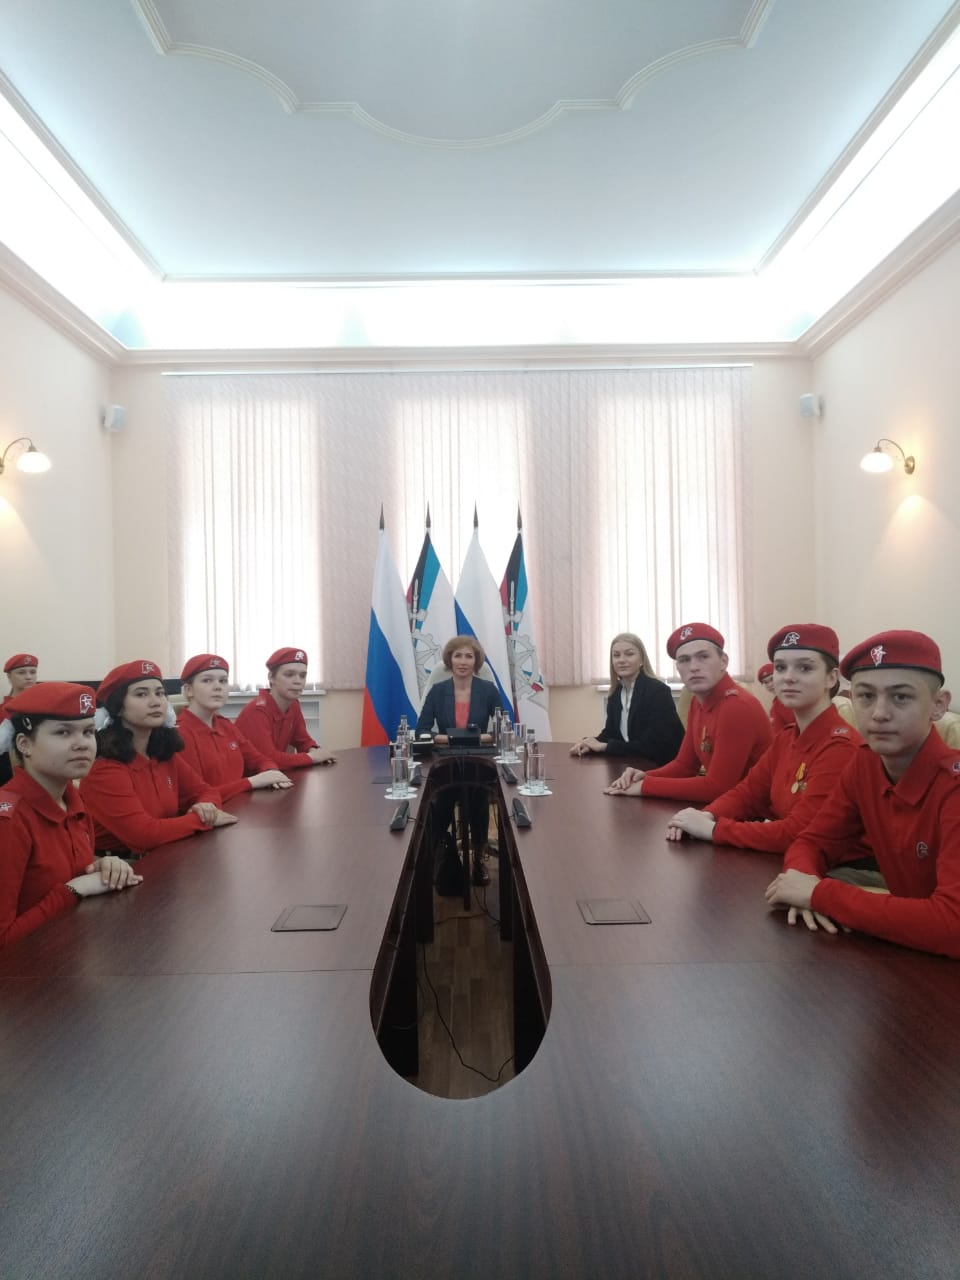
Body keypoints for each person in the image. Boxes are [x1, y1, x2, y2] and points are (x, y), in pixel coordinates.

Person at [765, 630, 960, 958]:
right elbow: (812, 841)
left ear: (938, 705)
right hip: (914, 954)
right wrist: (802, 877)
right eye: (866, 696)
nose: (879, 713)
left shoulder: (953, 786)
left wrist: (818, 894)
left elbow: (953, 926)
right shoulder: (865, 763)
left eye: (901, 697)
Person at [666, 624, 861, 852]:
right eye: (780, 667)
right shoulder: (787, 737)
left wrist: (713, 829)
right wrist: (706, 815)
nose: (788, 677)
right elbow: (747, 793)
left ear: (831, 678)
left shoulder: (840, 747)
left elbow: (800, 833)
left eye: (805, 668)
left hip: (837, 865)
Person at [0, 682, 142, 949]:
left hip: (71, 950)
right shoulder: (9, 820)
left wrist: (102, 866)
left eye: (88, 732)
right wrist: (75, 889)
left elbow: (65, 871)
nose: (82, 744)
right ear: (24, 744)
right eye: (63, 732)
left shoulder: (72, 801)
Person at [80, 660, 236, 856]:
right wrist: (202, 819)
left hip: (166, 852)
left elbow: (207, 791)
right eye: (141, 694)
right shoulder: (104, 768)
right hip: (123, 866)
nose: (155, 702)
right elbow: (144, 835)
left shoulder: (163, 754)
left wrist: (205, 807)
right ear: (118, 707)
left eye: (160, 693)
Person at [605, 622, 771, 802]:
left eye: (703, 657)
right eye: (684, 660)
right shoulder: (697, 701)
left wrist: (645, 786)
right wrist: (644, 776)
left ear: (724, 661)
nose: (693, 667)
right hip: (732, 804)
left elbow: (717, 788)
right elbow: (685, 765)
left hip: (758, 811)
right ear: (678, 667)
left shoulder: (736, 706)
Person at [416, 635, 503, 887]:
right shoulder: (437, 691)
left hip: (479, 760)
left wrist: (474, 739)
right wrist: (452, 739)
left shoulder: (488, 690)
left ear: (476, 661)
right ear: (449, 660)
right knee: (439, 804)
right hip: (446, 761)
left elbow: (504, 727)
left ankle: (479, 860)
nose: (463, 661)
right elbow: (422, 730)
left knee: (479, 802)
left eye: (469, 656)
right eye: (458, 656)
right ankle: (439, 857)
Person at [177, 654, 293, 800]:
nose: (218, 687)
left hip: (241, 804)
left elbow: (258, 759)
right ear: (188, 690)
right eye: (207, 680)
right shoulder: (181, 733)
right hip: (214, 811)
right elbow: (196, 797)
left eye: (223, 681)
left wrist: (271, 771)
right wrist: (251, 782)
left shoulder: (225, 725)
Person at [569, 632, 683, 763]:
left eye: (629, 654)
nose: (621, 660)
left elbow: (653, 745)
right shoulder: (615, 693)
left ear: (642, 660)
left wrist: (606, 747)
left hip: (661, 764)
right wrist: (589, 743)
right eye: (616, 655)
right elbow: (611, 733)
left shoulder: (658, 691)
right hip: (632, 761)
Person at [234, 647, 336, 769]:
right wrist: (312, 757)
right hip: (251, 777)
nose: (298, 681)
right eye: (289, 675)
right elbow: (269, 759)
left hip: (274, 777)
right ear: (271, 678)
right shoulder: (256, 711)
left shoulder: (293, 705)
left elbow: (303, 740)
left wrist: (314, 750)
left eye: (303, 675)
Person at [757, 661, 793, 732]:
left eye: (772, 679)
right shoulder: (777, 702)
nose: (770, 685)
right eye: (765, 682)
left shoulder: (790, 699)